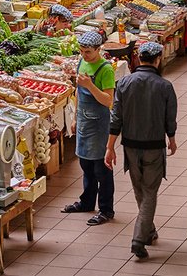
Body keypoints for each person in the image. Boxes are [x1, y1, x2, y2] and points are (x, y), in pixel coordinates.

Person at [105, 41, 177, 260]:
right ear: (157, 60)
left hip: (130, 146)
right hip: (154, 146)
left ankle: (149, 230)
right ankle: (138, 239)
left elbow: (116, 117)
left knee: (140, 190)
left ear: (138, 59)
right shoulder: (165, 86)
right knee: (150, 192)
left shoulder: (124, 83)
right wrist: (172, 139)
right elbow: (170, 118)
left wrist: (110, 147)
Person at [62, 31, 116, 227]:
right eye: (82, 51)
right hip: (84, 122)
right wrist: (75, 117)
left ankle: (106, 209)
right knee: (86, 165)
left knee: (102, 169)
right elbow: (78, 91)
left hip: (99, 124)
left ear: (98, 49)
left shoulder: (105, 69)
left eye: (88, 52)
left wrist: (90, 85)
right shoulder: (81, 62)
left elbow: (108, 100)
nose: (84, 55)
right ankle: (86, 202)